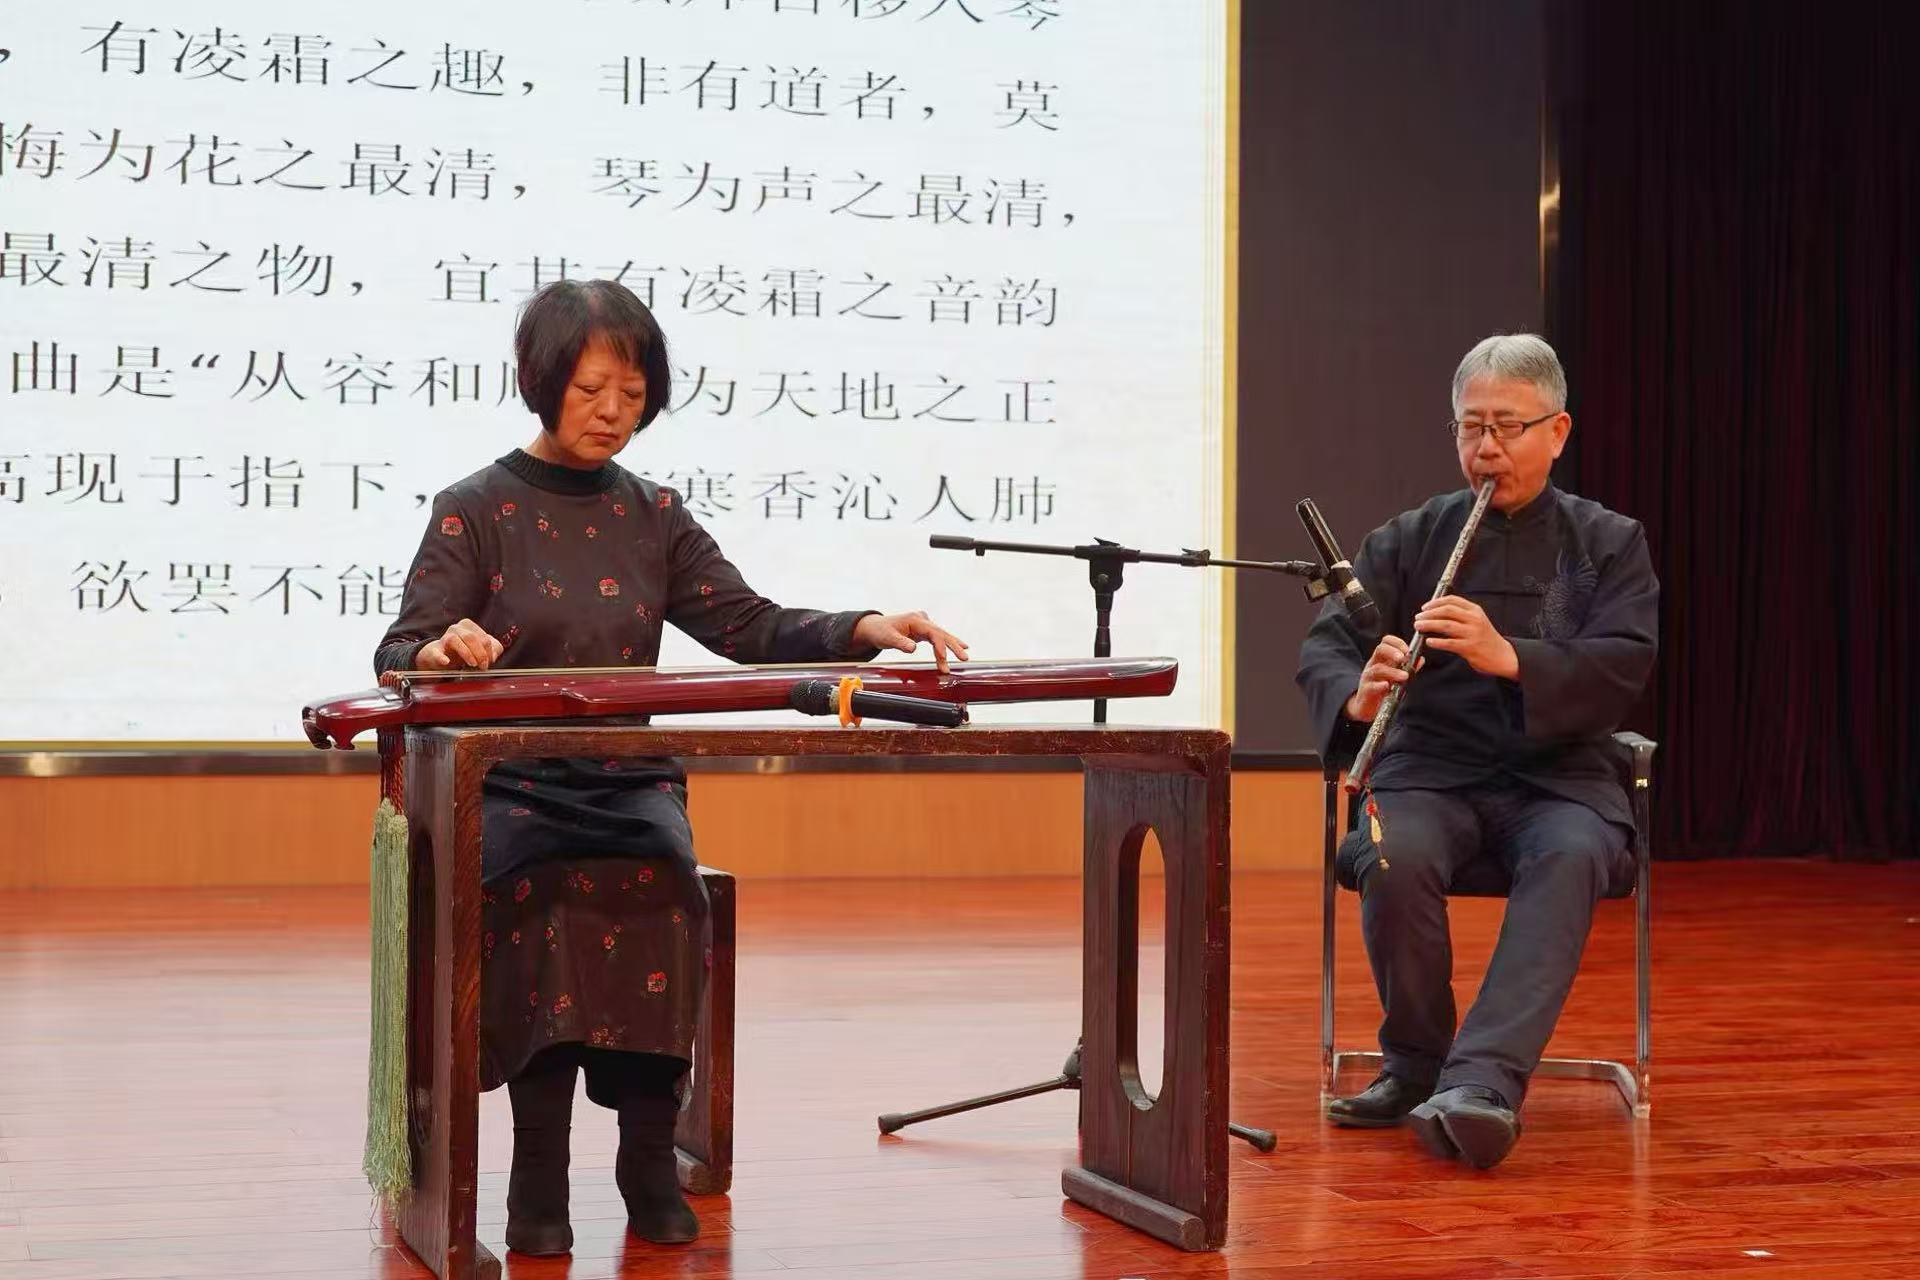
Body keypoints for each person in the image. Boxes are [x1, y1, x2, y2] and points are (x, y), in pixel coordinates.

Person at [374, 279, 967, 1253]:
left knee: (667, 891)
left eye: (633, 392)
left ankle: (648, 1158)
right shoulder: (474, 509)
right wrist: (440, 650)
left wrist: (863, 626)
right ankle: (537, 1173)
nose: (613, 410)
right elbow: (400, 649)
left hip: (628, 780)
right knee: (534, 904)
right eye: (591, 389)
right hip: (511, 785)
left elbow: (748, 623)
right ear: (541, 381)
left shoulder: (653, 513)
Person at [1295, 333, 1657, 1169]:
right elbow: (1327, 647)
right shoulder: (1411, 537)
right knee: (1393, 852)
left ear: (1557, 432)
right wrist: (1360, 692)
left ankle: (1482, 1086)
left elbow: (1624, 666)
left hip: (1561, 776)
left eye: (1507, 427)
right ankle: (1415, 1065)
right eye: (1471, 427)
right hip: (1429, 768)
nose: (1486, 448)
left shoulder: (1609, 542)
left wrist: (1510, 656)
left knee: (1571, 855)